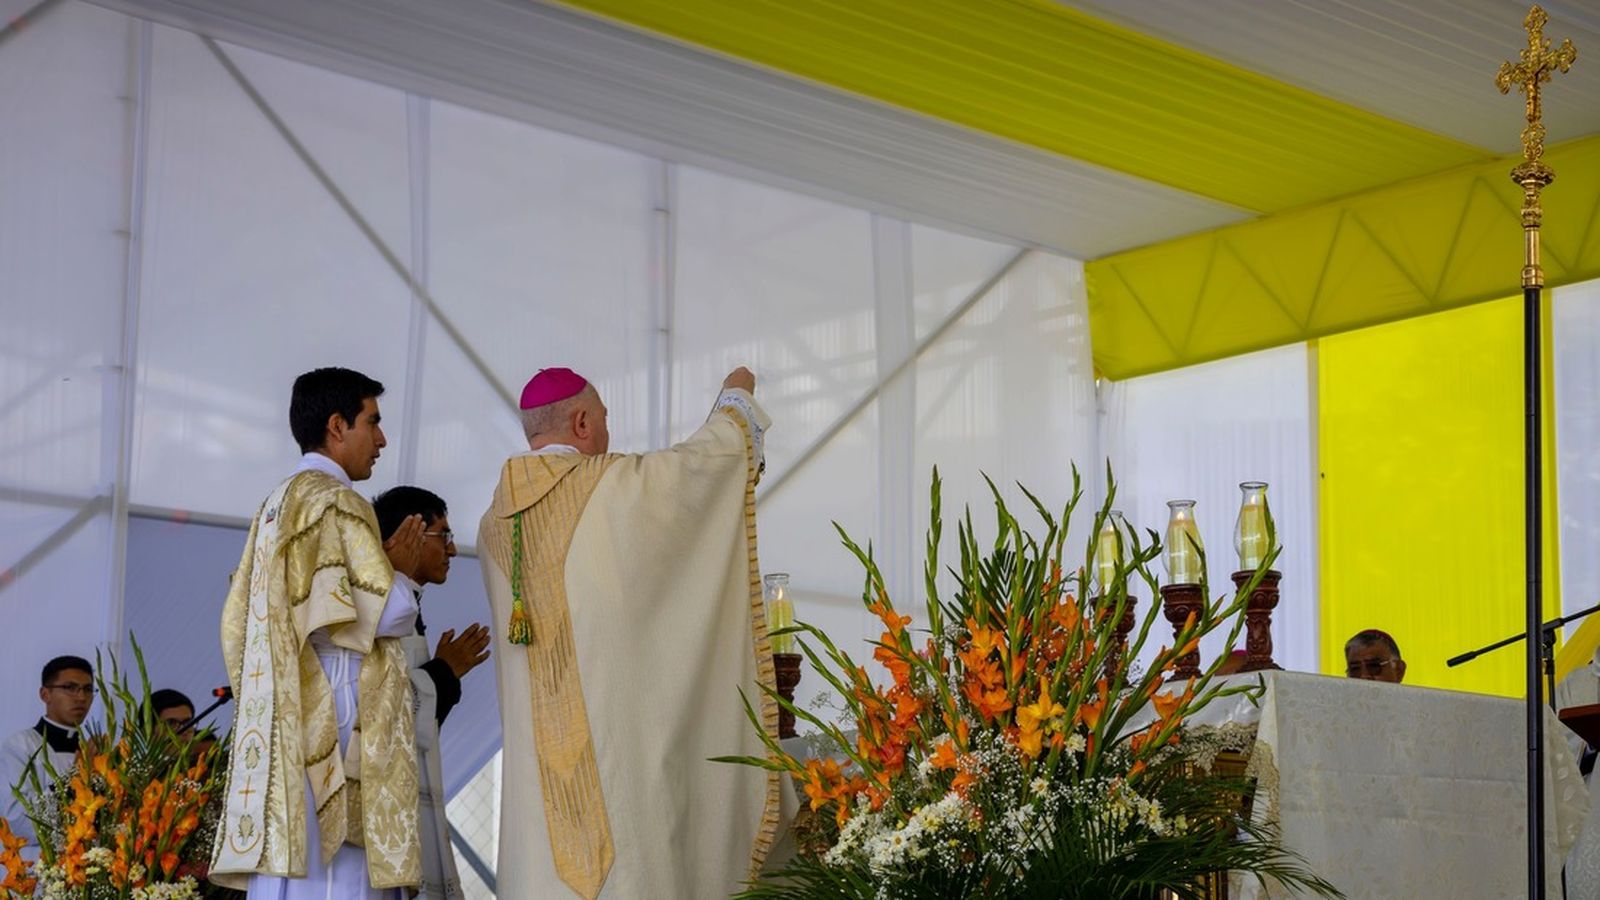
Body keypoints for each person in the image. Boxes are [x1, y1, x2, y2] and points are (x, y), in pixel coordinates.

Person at [479, 366, 783, 899]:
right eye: (602, 420)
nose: (606, 435)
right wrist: (735, 402)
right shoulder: (613, 488)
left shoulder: (493, 526)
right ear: (580, 422)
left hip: (539, 821)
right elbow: (699, 474)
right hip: (622, 805)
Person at [209, 367, 422, 898]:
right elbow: (387, 613)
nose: (381, 439)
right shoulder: (335, 498)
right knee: (337, 874)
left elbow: (235, 620)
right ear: (336, 425)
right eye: (371, 422)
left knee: (290, 868)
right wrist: (405, 572)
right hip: (338, 698)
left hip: (288, 702)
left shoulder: (276, 503)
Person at [372, 486, 492, 900]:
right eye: (443, 535)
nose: (454, 549)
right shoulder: (378, 604)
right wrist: (445, 671)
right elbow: (381, 712)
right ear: (411, 532)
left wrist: (443, 674)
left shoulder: (405, 602)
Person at [0, 655, 94, 841]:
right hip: (36, 863)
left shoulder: (96, 751)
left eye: (88, 689)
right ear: (45, 694)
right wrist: (76, 777)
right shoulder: (20, 746)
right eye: (70, 688)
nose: (81, 697)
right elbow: (15, 819)